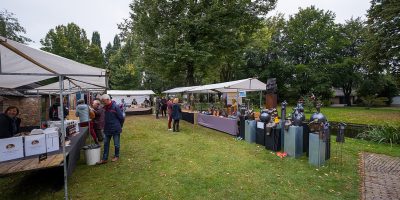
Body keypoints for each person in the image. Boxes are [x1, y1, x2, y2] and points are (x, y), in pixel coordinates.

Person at [97, 94, 124, 164]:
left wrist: (120, 126)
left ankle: (116, 156)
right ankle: (104, 159)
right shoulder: (104, 107)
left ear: (108, 100)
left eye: (103, 101)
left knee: (116, 144)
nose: (102, 102)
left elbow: (121, 118)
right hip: (107, 128)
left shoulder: (115, 107)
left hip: (115, 128)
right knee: (106, 143)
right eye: (102, 101)